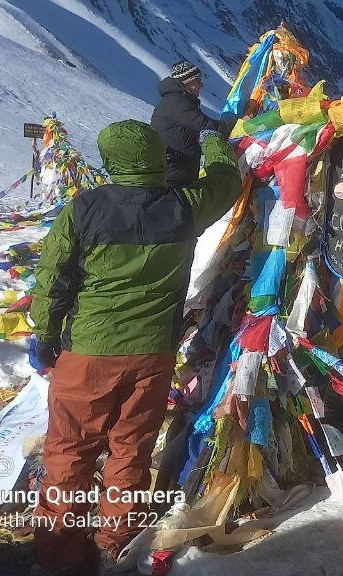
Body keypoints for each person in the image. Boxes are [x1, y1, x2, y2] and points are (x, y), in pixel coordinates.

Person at [28, 120, 241, 575]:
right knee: (130, 450)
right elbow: (226, 182)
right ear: (154, 157)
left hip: (87, 352)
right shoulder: (184, 206)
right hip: (152, 355)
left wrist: (45, 334)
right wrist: (215, 143)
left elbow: (52, 280)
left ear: (110, 161)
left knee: (69, 452)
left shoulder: (82, 209)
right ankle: (115, 546)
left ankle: (59, 555)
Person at [151, 60, 223, 188]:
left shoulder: (176, 100)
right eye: (198, 81)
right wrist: (241, 122)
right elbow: (208, 127)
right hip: (174, 173)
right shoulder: (178, 103)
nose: (201, 85)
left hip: (177, 168)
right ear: (187, 83)